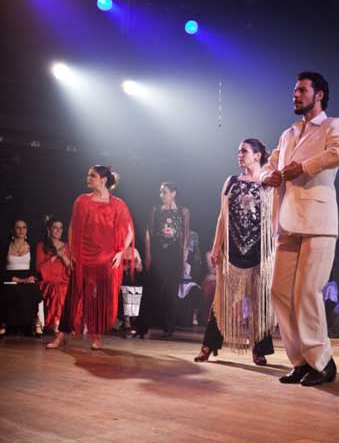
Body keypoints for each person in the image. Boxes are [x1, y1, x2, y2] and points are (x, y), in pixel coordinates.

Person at [261, 71, 339, 386]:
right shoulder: (288, 134)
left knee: (306, 293)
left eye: (301, 90)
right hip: (287, 222)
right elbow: (269, 164)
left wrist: (305, 166)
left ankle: (322, 362)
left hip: (318, 222)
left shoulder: (332, 125)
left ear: (320, 94)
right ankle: (300, 361)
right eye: (294, 90)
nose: (295, 95)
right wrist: (266, 176)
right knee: (279, 292)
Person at [195, 139, 276, 365]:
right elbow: (222, 217)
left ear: (258, 155)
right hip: (232, 251)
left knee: (260, 302)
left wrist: (274, 249)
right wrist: (215, 246)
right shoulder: (231, 182)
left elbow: (275, 218)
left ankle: (258, 349)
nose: (239, 154)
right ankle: (208, 345)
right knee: (221, 301)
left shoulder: (268, 183)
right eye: (238, 151)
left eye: (244, 151)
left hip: (261, 252)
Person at [46, 165, 134, 350]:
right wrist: (73, 252)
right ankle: (61, 335)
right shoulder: (82, 201)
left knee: (99, 299)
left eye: (92, 176)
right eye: (87, 175)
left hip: (105, 258)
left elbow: (128, 233)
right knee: (73, 296)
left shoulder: (118, 204)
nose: (88, 178)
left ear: (103, 180)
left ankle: (96, 336)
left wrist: (120, 252)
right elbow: (72, 227)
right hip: (84, 256)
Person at [140, 181, 189, 338]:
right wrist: (148, 254)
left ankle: (169, 326)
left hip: (175, 253)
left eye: (164, 192)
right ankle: (143, 325)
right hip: (158, 252)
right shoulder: (155, 210)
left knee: (171, 290)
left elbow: (185, 237)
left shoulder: (183, 211)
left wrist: (184, 258)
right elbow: (149, 232)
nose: (161, 195)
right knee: (152, 288)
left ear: (173, 194)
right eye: (160, 192)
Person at [0, 219, 43, 337]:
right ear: (12, 230)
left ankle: (34, 322)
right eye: (18, 227)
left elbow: (35, 267)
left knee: (33, 290)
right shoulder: (5, 247)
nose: (21, 230)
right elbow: (2, 269)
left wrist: (31, 277)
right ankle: (4, 323)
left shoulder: (32, 247)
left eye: (24, 227)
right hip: (10, 278)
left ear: (27, 230)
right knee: (9, 291)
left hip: (27, 277)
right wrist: (16, 279)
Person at [36, 217, 72, 334]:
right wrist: (56, 255)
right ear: (49, 229)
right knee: (57, 289)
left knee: (67, 288)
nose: (58, 231)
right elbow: (39, 268)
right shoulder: (41, 245)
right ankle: (56, 323)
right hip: (48, 280)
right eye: (55, 228)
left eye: (60, 228)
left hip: (63, 278)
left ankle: (66, 323)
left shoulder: (67, 246)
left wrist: (63, 256)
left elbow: (71, 267)